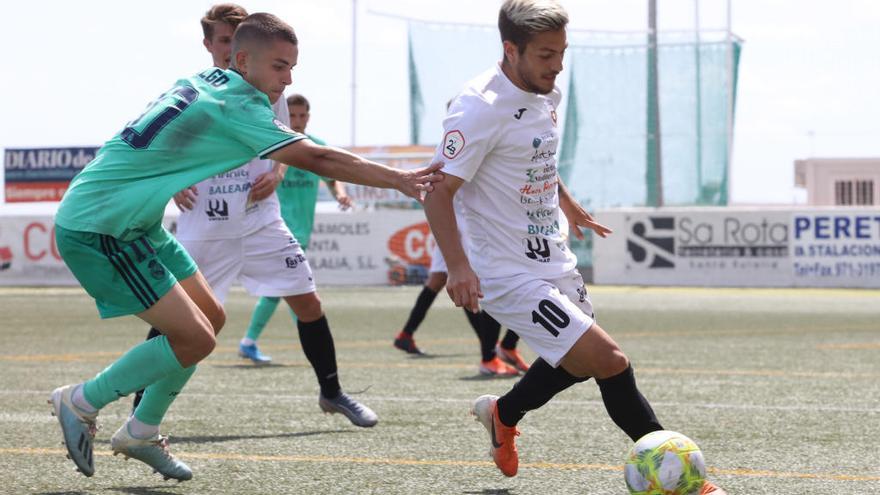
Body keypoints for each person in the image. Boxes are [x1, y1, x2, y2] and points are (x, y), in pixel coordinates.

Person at [49, 11, 440, 481]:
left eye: (292, 66)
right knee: (194, 337)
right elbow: (315, 156)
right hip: (102, 227)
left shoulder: (206, 80)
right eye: (279, 66)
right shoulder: (240, 107)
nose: (288, 78)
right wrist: (399, 179)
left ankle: (141, 430)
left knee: (211, 319)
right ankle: (81, 400)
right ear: (241, 59)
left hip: (136, 219)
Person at [422, 1, 724, 493]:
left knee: (575, 362)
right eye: (545, 54)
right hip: (505, 272)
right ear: (510, 49)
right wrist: (457, 266)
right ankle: (682, 481)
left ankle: (503, 413)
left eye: (562, 52)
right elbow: (437, 190)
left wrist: (569, 204)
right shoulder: (478, 108)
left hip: (552, 256)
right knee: (609, 360)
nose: (557, 65)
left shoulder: (546, 91)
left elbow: (533, 155)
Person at [131, 6, 377, 434]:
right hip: (206, 224)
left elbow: (286, 144)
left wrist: (278, 172)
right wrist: (172, 184)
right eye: (223, 41)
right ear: (210, 45)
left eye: (236, 39)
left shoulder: (271, 92)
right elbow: (162, 148)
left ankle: (332, 392)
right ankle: (139, 409)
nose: (230, 49)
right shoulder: (196, 95)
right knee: (178, 320)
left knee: (308, 302)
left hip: (261, 221)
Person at [238, 93, 352, 363]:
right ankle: (264, 340)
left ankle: (252, 341)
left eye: (302, 116)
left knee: (288, 287)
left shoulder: (315, 148)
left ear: (308, 117)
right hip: (280, 228)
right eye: (294, 116)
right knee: (291, 287)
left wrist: (340, 194)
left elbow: (333, 178)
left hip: (303, 229)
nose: (298, 121)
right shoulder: (272, 149)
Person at [393, 241, 529, 376]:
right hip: (459, 233)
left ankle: (406, 335)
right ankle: (493, 352)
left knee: (441, 280)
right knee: (489, 280)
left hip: (456, 233)